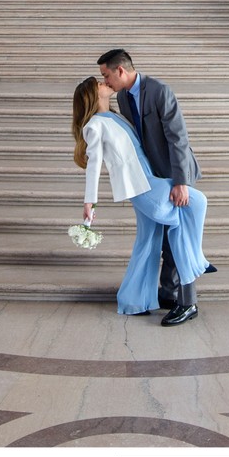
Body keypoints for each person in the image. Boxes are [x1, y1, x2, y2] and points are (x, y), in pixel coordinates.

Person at [72, 76, 210, 325]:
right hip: (143, 188)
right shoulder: (94, 126)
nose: (106, 84)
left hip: (149, 180)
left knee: (147, 242)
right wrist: (89, 202)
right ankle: (194, 270)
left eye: (105, 80)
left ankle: (134, 300)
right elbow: (93, 166)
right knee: (195, 204)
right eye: (100, 84)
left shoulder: (114, 116)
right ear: (93, 94)